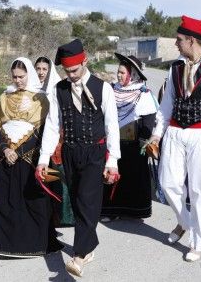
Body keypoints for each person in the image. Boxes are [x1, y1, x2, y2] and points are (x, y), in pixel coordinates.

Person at [150, 16, 201, 262]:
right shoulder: (174, 67)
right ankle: (185, 222)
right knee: (167, 183)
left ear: (191, 40)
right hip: (175, 132)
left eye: (179, 40)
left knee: (200, 190)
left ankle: (197, 242)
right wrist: (157, 134)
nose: (176, 44)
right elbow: (166, 105)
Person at [36, 39, 121, 277]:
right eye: (67, 71)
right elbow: (53, 126)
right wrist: (43, 159)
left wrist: (112, 160)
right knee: (75, 201)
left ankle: (79, 256)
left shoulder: (103, 88)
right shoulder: (58, 90)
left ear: (85, 62)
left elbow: (112, 125)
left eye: (74, 70)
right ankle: (89, 246)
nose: (71, 75)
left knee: (87, 201)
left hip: (95, 152)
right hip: (70, 152)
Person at [0, 57, 62, 260]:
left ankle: (34, 245)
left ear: (29, 75)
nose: (18, 80)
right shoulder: (4, 97)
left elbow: (43, 130)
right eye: (14, 76)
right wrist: (6, 149)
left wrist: (20, 150)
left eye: (21, 77)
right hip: (6, 156)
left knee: (31, 201)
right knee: (3, 200)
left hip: (28, 157)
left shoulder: (40, 99)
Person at [100, 53, 158, 222]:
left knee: (133, 178)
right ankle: (110, 211)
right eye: (118, 72)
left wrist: (145, 141)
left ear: (132, 74)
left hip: (133, 145)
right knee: (111, 175)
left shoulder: (144, 94)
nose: (119, 75)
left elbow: (149, 120)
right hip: (113, 141)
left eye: (122, 73)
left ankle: (134, 211)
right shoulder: (111, 90)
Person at [35, 56, 75, 226]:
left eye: (45, 69)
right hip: (36, 135)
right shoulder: (32, 88)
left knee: (58, 175)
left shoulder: (57, 88)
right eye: (38, 68)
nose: (41, 72)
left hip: (55, 135)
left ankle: (64, 215)